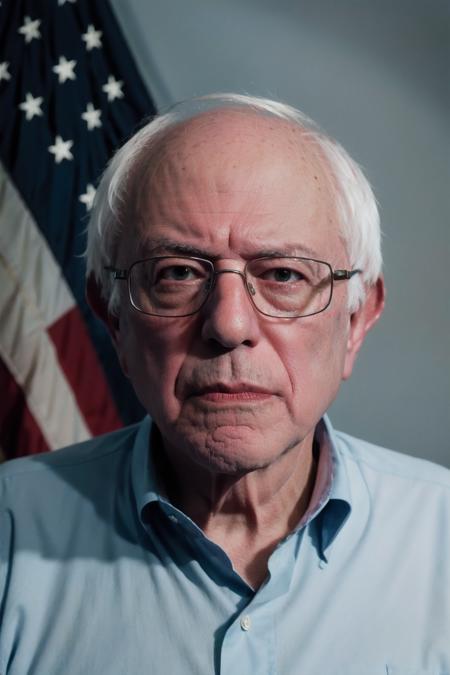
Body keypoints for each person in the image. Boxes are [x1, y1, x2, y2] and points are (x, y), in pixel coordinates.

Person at [0, 94, 449, 675]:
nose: (229, 324)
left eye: (284, 274)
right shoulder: (10, 530)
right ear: (113, 318)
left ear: (357, 319)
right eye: (178, 273)